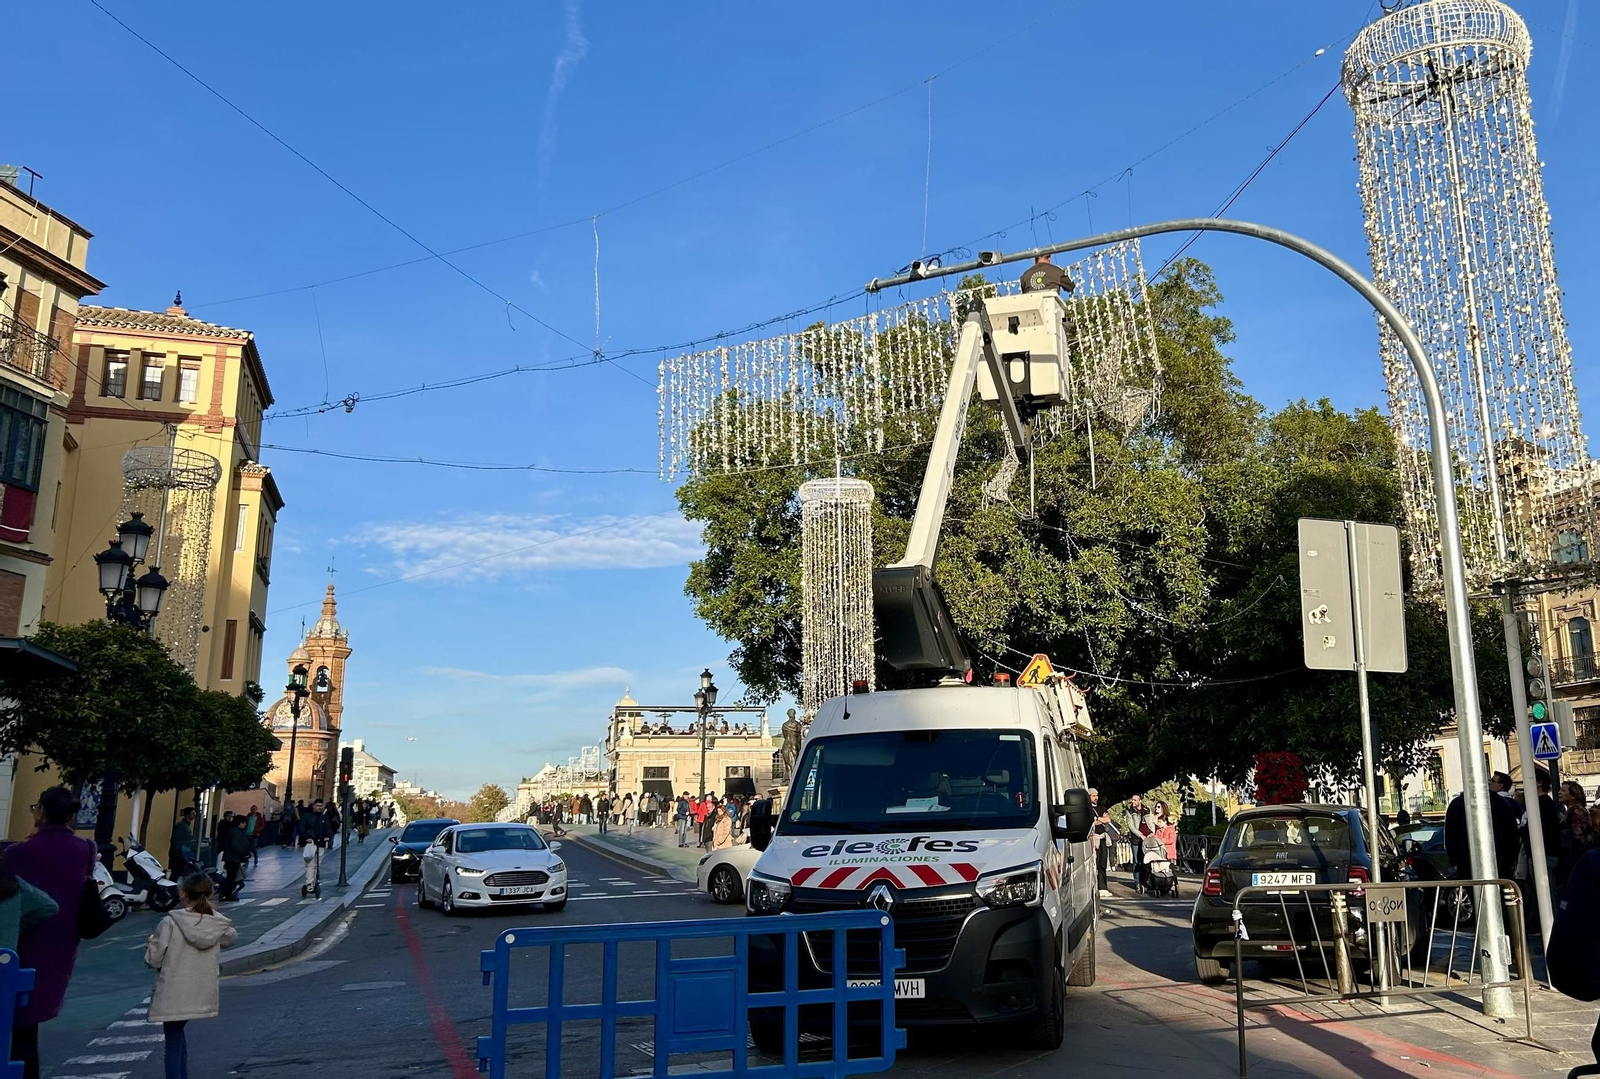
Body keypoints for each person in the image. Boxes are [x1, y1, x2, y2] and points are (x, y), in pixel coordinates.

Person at [1, 786, 96, 1079]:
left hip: (19, 943)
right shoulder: (85, 849)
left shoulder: (18, 852)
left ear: (41, 810)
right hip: (61, 947)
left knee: (14, 1021)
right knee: (27, 1025)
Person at [146, 872, 237, 1079]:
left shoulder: (170, 922)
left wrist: (151, 943)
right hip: (200, 990)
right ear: (210, 894)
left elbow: (154, 959)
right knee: (178, 1036)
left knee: (173, 1041)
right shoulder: (217, 923)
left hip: (173, 990)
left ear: (182, 894)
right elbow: (230, 937)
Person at [1444, 773, 1521, 881]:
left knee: (1475, 894)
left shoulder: (1457, 804)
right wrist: (1511, 859)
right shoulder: (1501, 803)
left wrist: (1455, 861)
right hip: (1497, 863)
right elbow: (1512, 835)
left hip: (1469, 864)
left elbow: (1451, 836)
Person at [299, 799, 332, 897]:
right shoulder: (307, 816)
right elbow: (301, 827)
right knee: (310, 864)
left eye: (321, 806)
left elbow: (328, 829)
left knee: (317, 865)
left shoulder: (324, 818)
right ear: (313, 806)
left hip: (320, 843)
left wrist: (328, 837)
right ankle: (309, 884)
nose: (320, 807)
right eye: (318, 805)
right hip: (310, 843)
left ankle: (313, 882)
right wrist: (306, 838)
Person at [1090, 789, 1117, 899]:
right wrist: (1099, 820)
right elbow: (1092, 822)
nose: (1096, 798)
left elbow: (1108, 819)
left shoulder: (1102, 808)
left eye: (1097, 795)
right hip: (1093, 839)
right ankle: (1094, 886)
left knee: (1102, 863)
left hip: (1102, 839)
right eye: (1093, 796)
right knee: (1094, 864)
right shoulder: (1087, 809)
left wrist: (1098, 819)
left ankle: (1103, 887)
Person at [1123, 795, 1154, 891]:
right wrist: (1140, 835)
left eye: (1135, 800)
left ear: (1140, 801)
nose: (1133, 801)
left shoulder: (1146, 810)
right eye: (1132, 800)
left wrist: (1152, 832)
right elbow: (1131, 826)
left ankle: (1145, 881)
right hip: (1136, 839)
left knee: (1146, 861)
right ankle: (1137, 882)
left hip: (1146, 840)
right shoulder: (1130, 811)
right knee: (1137, 861)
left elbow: (1151, 822)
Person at [218, 815, 249, 902]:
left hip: (233, 857)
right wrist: (242, 852)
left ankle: (228, 894)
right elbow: (235, 844)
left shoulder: (236, 831)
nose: (245, 824)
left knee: (232, 877)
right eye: (244, 823)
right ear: (240, 823)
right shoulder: (235, 832)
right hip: (232, 857)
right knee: (231, 877)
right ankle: (227, 894)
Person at [169, 807, 197, 876]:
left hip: (183, 853)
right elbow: (175, 839)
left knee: (179, 872)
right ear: (187, 815)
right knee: (176, 873)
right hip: (179, 853)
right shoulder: (181, 825)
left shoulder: (186, 825)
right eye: (192, 813)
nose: (194, 815)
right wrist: (177, 852)